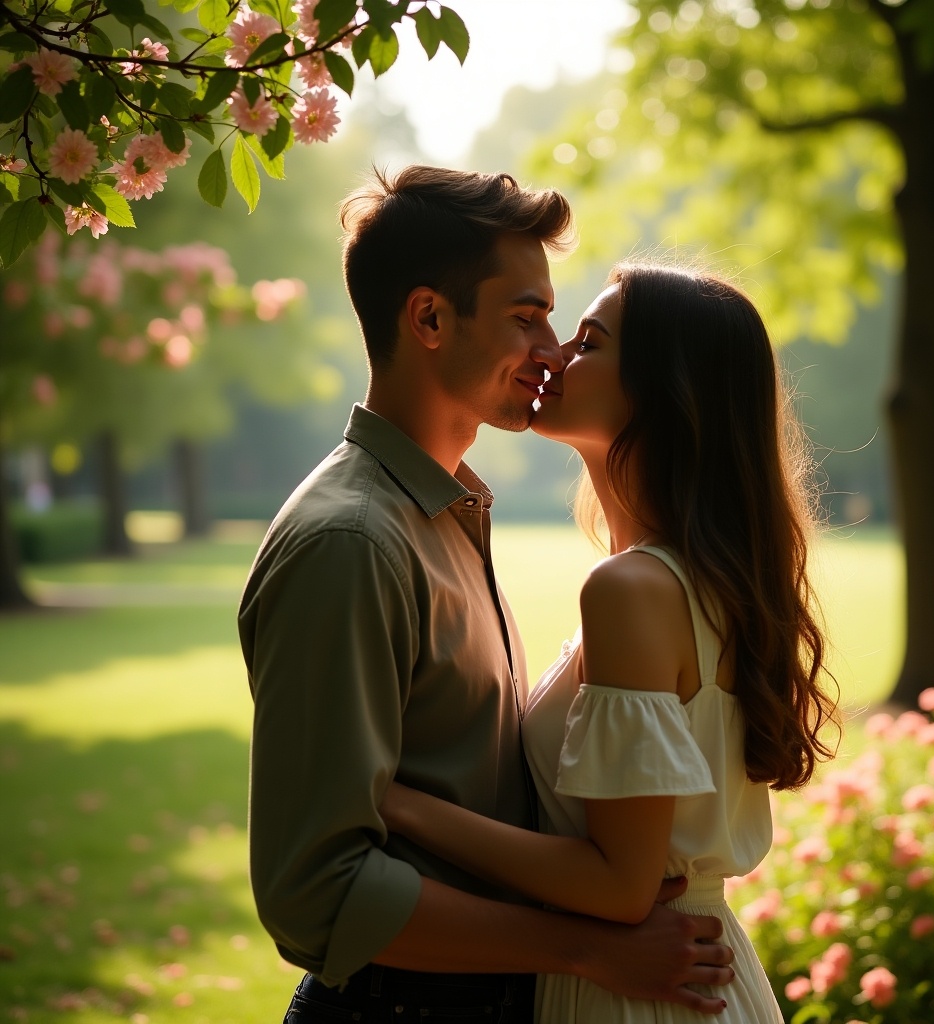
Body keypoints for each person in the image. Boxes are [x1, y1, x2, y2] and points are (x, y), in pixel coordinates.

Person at [238, 168, 736, 1024]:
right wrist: (585, 948)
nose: (550, 350)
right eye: (526, 317)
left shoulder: (446, 514)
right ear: (430, 318)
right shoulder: (352, 542)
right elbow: (314, 892)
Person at [380, 262, 841, 1023]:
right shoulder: (695, 579)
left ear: (666, 388)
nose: (554, 353)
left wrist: (403, 805)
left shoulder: (632, 591)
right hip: (689, 978)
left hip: (641, 994)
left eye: (589, 341)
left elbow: (619, 885)